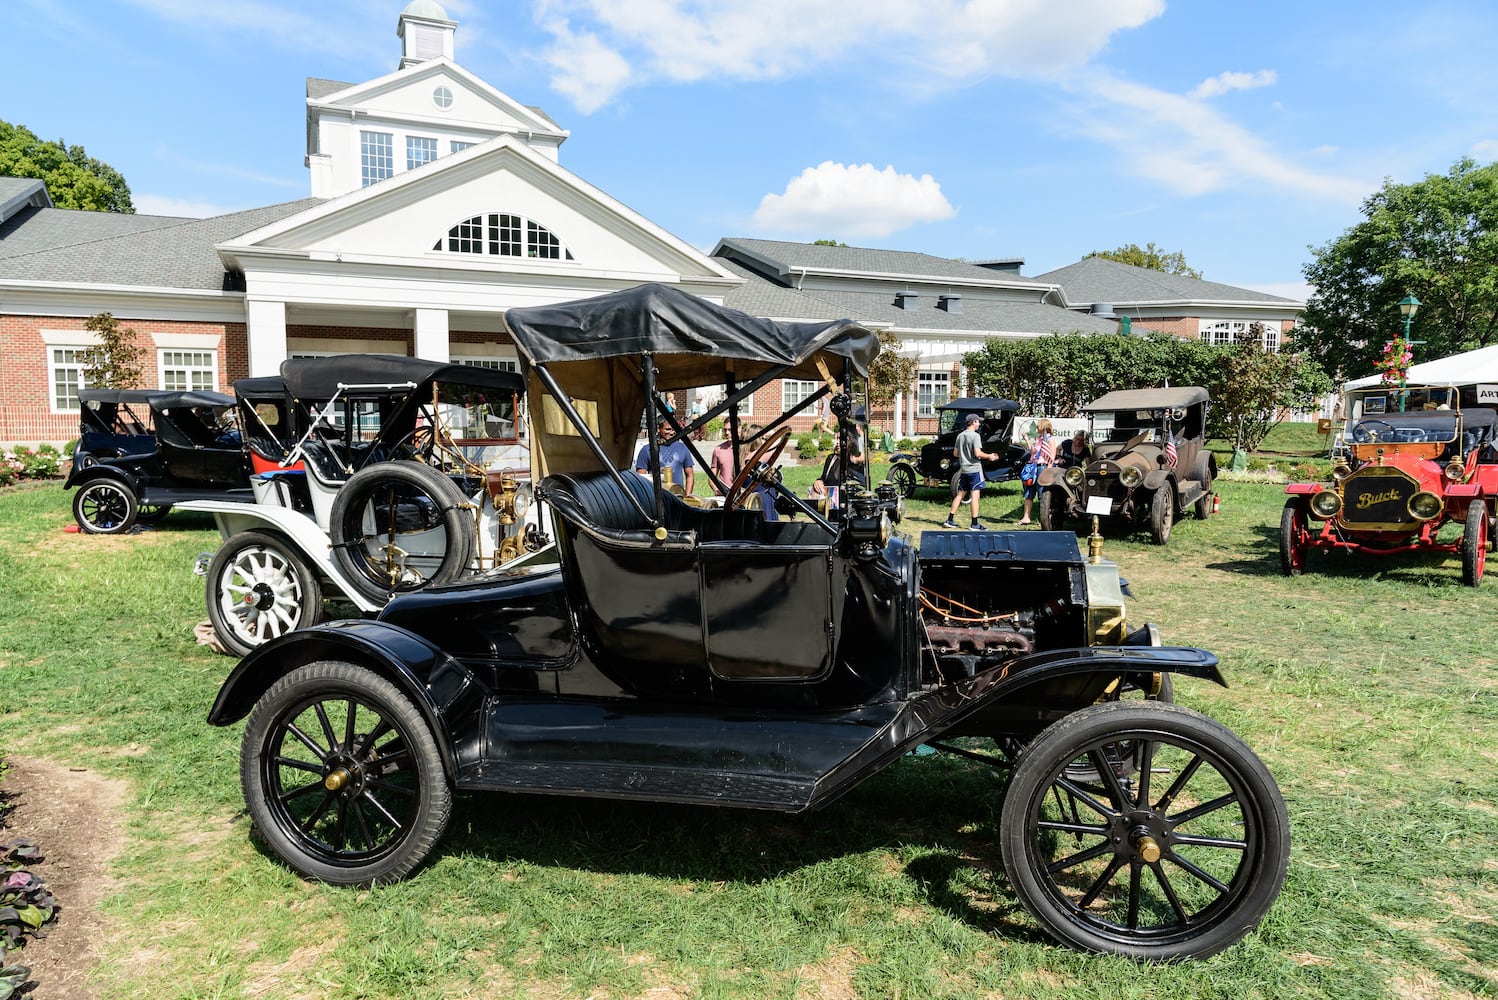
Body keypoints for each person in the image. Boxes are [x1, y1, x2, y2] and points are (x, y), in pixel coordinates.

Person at [944, 413, 999, 530]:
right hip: (974, 469)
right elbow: (978, 453)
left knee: (960, 494)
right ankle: (974, 524)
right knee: (975, 496)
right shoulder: (975, 436)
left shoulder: (960, 435)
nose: (979, 423)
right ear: (973, 422)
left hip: (963, 469)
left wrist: (964, 456)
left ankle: (950, 519)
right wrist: (990, 456)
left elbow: (955, 454)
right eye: (978, 421)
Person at [635, 418, 694, 493]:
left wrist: (687, 496)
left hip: (677, 496)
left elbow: (690, 475)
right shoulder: (647, 450)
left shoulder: (682, 448)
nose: (672, 432)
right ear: (658, 429)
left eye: (673, 429)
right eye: (668, 429)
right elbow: (640, 478)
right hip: (655, 496)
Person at [1017, 418, 1055, 526]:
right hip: (1033, 466)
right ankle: (1026, 517)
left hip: (1042, 467)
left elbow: (1052, 456)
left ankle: (1043, 519)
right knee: (1029, 492)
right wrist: (1027, 440)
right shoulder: (1038, 439)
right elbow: (1033, 452)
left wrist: (1048, 470)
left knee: (1042, 494)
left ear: (1044, 427)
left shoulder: (1049, 440)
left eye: (1038, 426)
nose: (1037, 428)